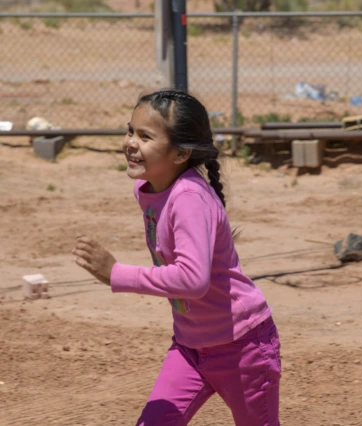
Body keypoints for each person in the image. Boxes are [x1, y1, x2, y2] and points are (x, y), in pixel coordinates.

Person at [72, 89, 281, 426]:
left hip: (243, 347)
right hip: (190, 347)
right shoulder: (151, 190)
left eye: (145, 136)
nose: (130, 142)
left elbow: (192, 280)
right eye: (130, 131)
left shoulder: (188, 197)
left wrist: (116, 273)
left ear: (181, 152)